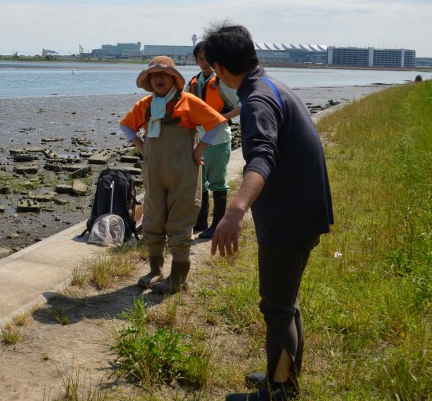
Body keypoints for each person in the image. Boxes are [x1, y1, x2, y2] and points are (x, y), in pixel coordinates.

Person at [203, 24, 333, 400]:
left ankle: (278, 393)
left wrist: (234, 212)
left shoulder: (257, 100)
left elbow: (262, 159)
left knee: (276, 307)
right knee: (286, 303)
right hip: (305, 211)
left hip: (289, 218)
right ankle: (285, 380)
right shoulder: (272, 85)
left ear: (221, 69)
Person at [120, 56, 227, 294]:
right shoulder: (146, 105)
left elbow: (217, 124)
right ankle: (155, 270)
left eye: (163, 75)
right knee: (153, 219)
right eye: (153, 76)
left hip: (184, 171)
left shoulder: (187, 100)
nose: (158, 78)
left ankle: (178, 277)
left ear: (173, 79)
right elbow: (125, 125)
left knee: (180, 221)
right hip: (154, 171)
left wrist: (200, 148)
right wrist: (140, 144)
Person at [186, 40, 241, 239]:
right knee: (200, 182)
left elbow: (242, 104)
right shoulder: (193, 83)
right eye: (201, 59)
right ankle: (200, 222)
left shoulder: (221, 82)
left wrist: (221, 118)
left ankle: (217, 224)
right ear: (196, 60)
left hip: (218, 140)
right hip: (197, 141)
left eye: (208, 58)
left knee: (217, 182)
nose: (205, 62)